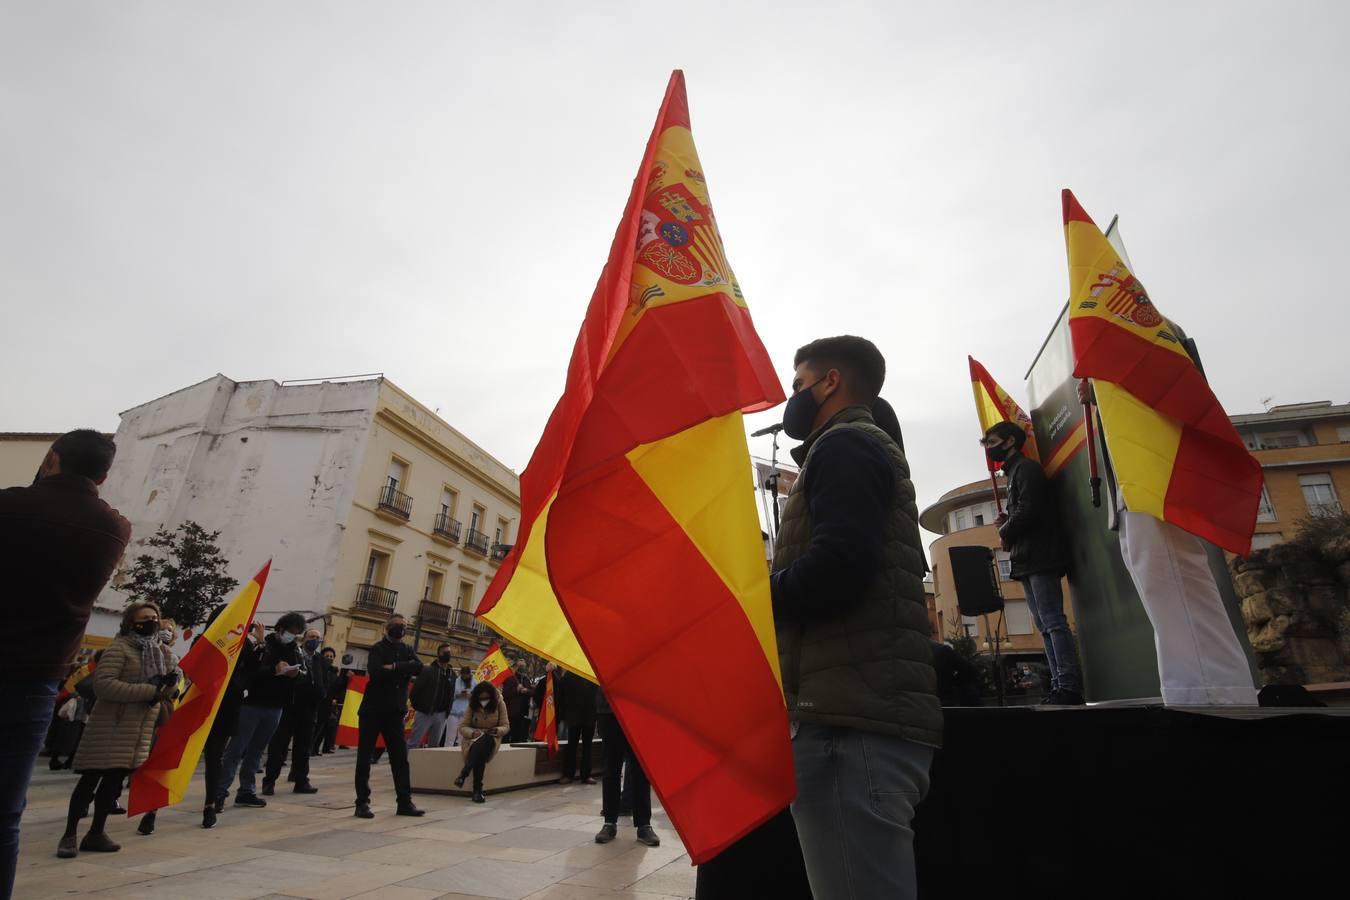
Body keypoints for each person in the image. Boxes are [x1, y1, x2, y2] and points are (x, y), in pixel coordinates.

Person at [770, 336, 942, 900]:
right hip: (857, 715)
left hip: (849, 727)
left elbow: (838, 569)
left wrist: (753, 598)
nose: (792, 397)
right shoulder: (859, 448)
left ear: (831, 382)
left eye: (798, 385)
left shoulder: (845, 446)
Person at [0, 430, 130, 896]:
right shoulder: (113, 527)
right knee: (6, 815)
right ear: (104, 475)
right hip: (38, 677)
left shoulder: (10, 505)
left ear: (52, 459)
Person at [1078, 379, 1258, 706]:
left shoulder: (1136, 333)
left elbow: (1156, 389)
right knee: (1166, 602)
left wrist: (1103, 388)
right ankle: (1191, 696)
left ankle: (1216, 699)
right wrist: (1099, 393)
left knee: (1179, 591)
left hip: (1152, 481)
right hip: (1133, 488)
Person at [56, 602, 178, 859]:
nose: (152, 623)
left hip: (139, 729)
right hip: (110, 725)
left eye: (155, 617)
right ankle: (69, 834)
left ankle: (97, 832)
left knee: (113, 784)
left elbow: (164, 693)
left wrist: (169, 687)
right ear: (131, 622)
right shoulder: (119, 648)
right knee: (90, 780)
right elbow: (104, 686)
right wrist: (149, 690)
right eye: (145, 618)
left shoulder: (163, 654)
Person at [982, 420, 1085, 705]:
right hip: (1027, 558)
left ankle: (1068, 685)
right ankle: (1058, 684)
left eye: (992, 443)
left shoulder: (1026, 470)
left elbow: (1030, 510)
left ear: (1010, 442)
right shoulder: (1015, 473)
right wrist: (1008, 524)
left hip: (1040, 556)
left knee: (1052, 622)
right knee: (1043, 623)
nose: (989, 450)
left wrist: (1005, 530)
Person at [217, 612, 307, 809]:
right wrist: (273, 670)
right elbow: (250, 671)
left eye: (298, 633)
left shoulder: (295, 649)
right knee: (236, 748)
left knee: (257, 750)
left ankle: (247, 791)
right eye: (292, 632)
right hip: (253, 703)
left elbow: (304, 675)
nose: (293, 636)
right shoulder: (263, 645)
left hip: (276, 706)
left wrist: (295, 674)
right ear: (281, 628)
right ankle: (219, 791)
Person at [354, 614, 424, 819]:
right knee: (364, 758)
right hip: (373, 711)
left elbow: (419, 667)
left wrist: (394, 667)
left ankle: (404, 802)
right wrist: (404, 668)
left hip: (395, 711)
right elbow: (376, 673)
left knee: (400, 759)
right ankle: (362, 803)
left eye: (404, 626)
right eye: (397, 625)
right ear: (387, 628)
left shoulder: (407, 649)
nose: (401, 629)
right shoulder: (377, 648)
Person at [198, 614, 261, 829]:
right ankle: (152, 811)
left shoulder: (242, 648)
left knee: (215, 758)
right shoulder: (204, 640)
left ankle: (210, 804)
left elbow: (251, 673)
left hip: (226, 707)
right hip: (200, 705)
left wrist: (257, 645)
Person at [262, 627, 330, 795]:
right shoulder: (294, 654)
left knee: (304, 748)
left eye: (317, 637)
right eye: (312, 636)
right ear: (304, 638)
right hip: (290, 707)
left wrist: (321, 694)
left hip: (310, 710)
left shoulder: (320, 660)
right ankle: (269, 781)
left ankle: (301, 781)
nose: (314, 640)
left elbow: (325, 681)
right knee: (279, 746)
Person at [133, 619, 181, 836]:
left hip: (157, 717)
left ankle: (150, 811)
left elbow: (175, 689)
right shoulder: (135, 651)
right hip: (131, 714)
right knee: (123, 764)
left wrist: (171, 686)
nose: (166, 633)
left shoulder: (172, 658)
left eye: (170, 631)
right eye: (163, 629)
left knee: (154, 763)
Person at [594, 691, 659, 847]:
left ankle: (644, 825)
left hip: (639, 708)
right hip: (609, 709)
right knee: (611, 769)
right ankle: (609, 822)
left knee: (640, 769)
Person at [454, 682, 509, 803]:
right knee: (480, 753)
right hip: (473, 738)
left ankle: (464, 773)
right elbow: (463, 726)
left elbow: (505, 726)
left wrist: (496, 730)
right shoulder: (472, 705)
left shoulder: (500, 704)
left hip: (492, 737)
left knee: (485, 742)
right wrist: (473, 733)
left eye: (486, 698)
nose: (484, 701)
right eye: (481, 699)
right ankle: (477, 791)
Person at [408, 643, 455, 749]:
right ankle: (404, 764)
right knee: (414, 742)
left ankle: (429, 765)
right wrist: (420, 708)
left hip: (441, 715)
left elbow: (451, 694)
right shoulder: (427, 671)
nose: (448, 654)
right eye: (445, 652)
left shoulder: (452, 674)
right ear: (439, 654)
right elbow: (415, 692)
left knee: (434, 746)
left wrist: (447, 711)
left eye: (449, 652)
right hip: (425, 713)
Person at [557, 669, 598, 784]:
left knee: (587, 746)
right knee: (572, 745)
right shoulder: (570, 675)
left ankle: (586, 775)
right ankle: (568, 774)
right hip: (573, 715)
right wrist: (564, 714)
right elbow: (561, 693)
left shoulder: (593, 675)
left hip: (589, 716)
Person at [929, 640, 984, 707]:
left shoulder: (939, 650)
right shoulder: (941, 650)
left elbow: (971, 671)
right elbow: (972, 671)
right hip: (944, 704)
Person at [311, 647, 340, 756]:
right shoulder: (317, 669)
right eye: (327, 656)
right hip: (318, 702)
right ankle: (310, 747)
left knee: (322, 728)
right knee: (314, 727)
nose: (329, 658)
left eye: (331, 657)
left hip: (327, 704)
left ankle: (315, 748)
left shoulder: (333, 672)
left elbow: (336, 687)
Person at [500, 665, 533, 743]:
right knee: (506, 736)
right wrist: (516, 690)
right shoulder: (509, 678)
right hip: (509, 712)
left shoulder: (526, 679)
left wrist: (526, 690)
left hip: (521, 713)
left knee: (517, 736)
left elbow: (532, 692)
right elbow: (505, 693)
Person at [448, 665, 475, 747]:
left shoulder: (475, 682)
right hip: (453, 712)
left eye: (466, 675)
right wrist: (457, 695)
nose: (465, 677)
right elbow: (448, 695)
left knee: (462, 738)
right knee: (450, 737)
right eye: (463, 675)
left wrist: (471, 696)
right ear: (461, 674)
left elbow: (477, 698)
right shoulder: (455, 681)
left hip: (466, 713)